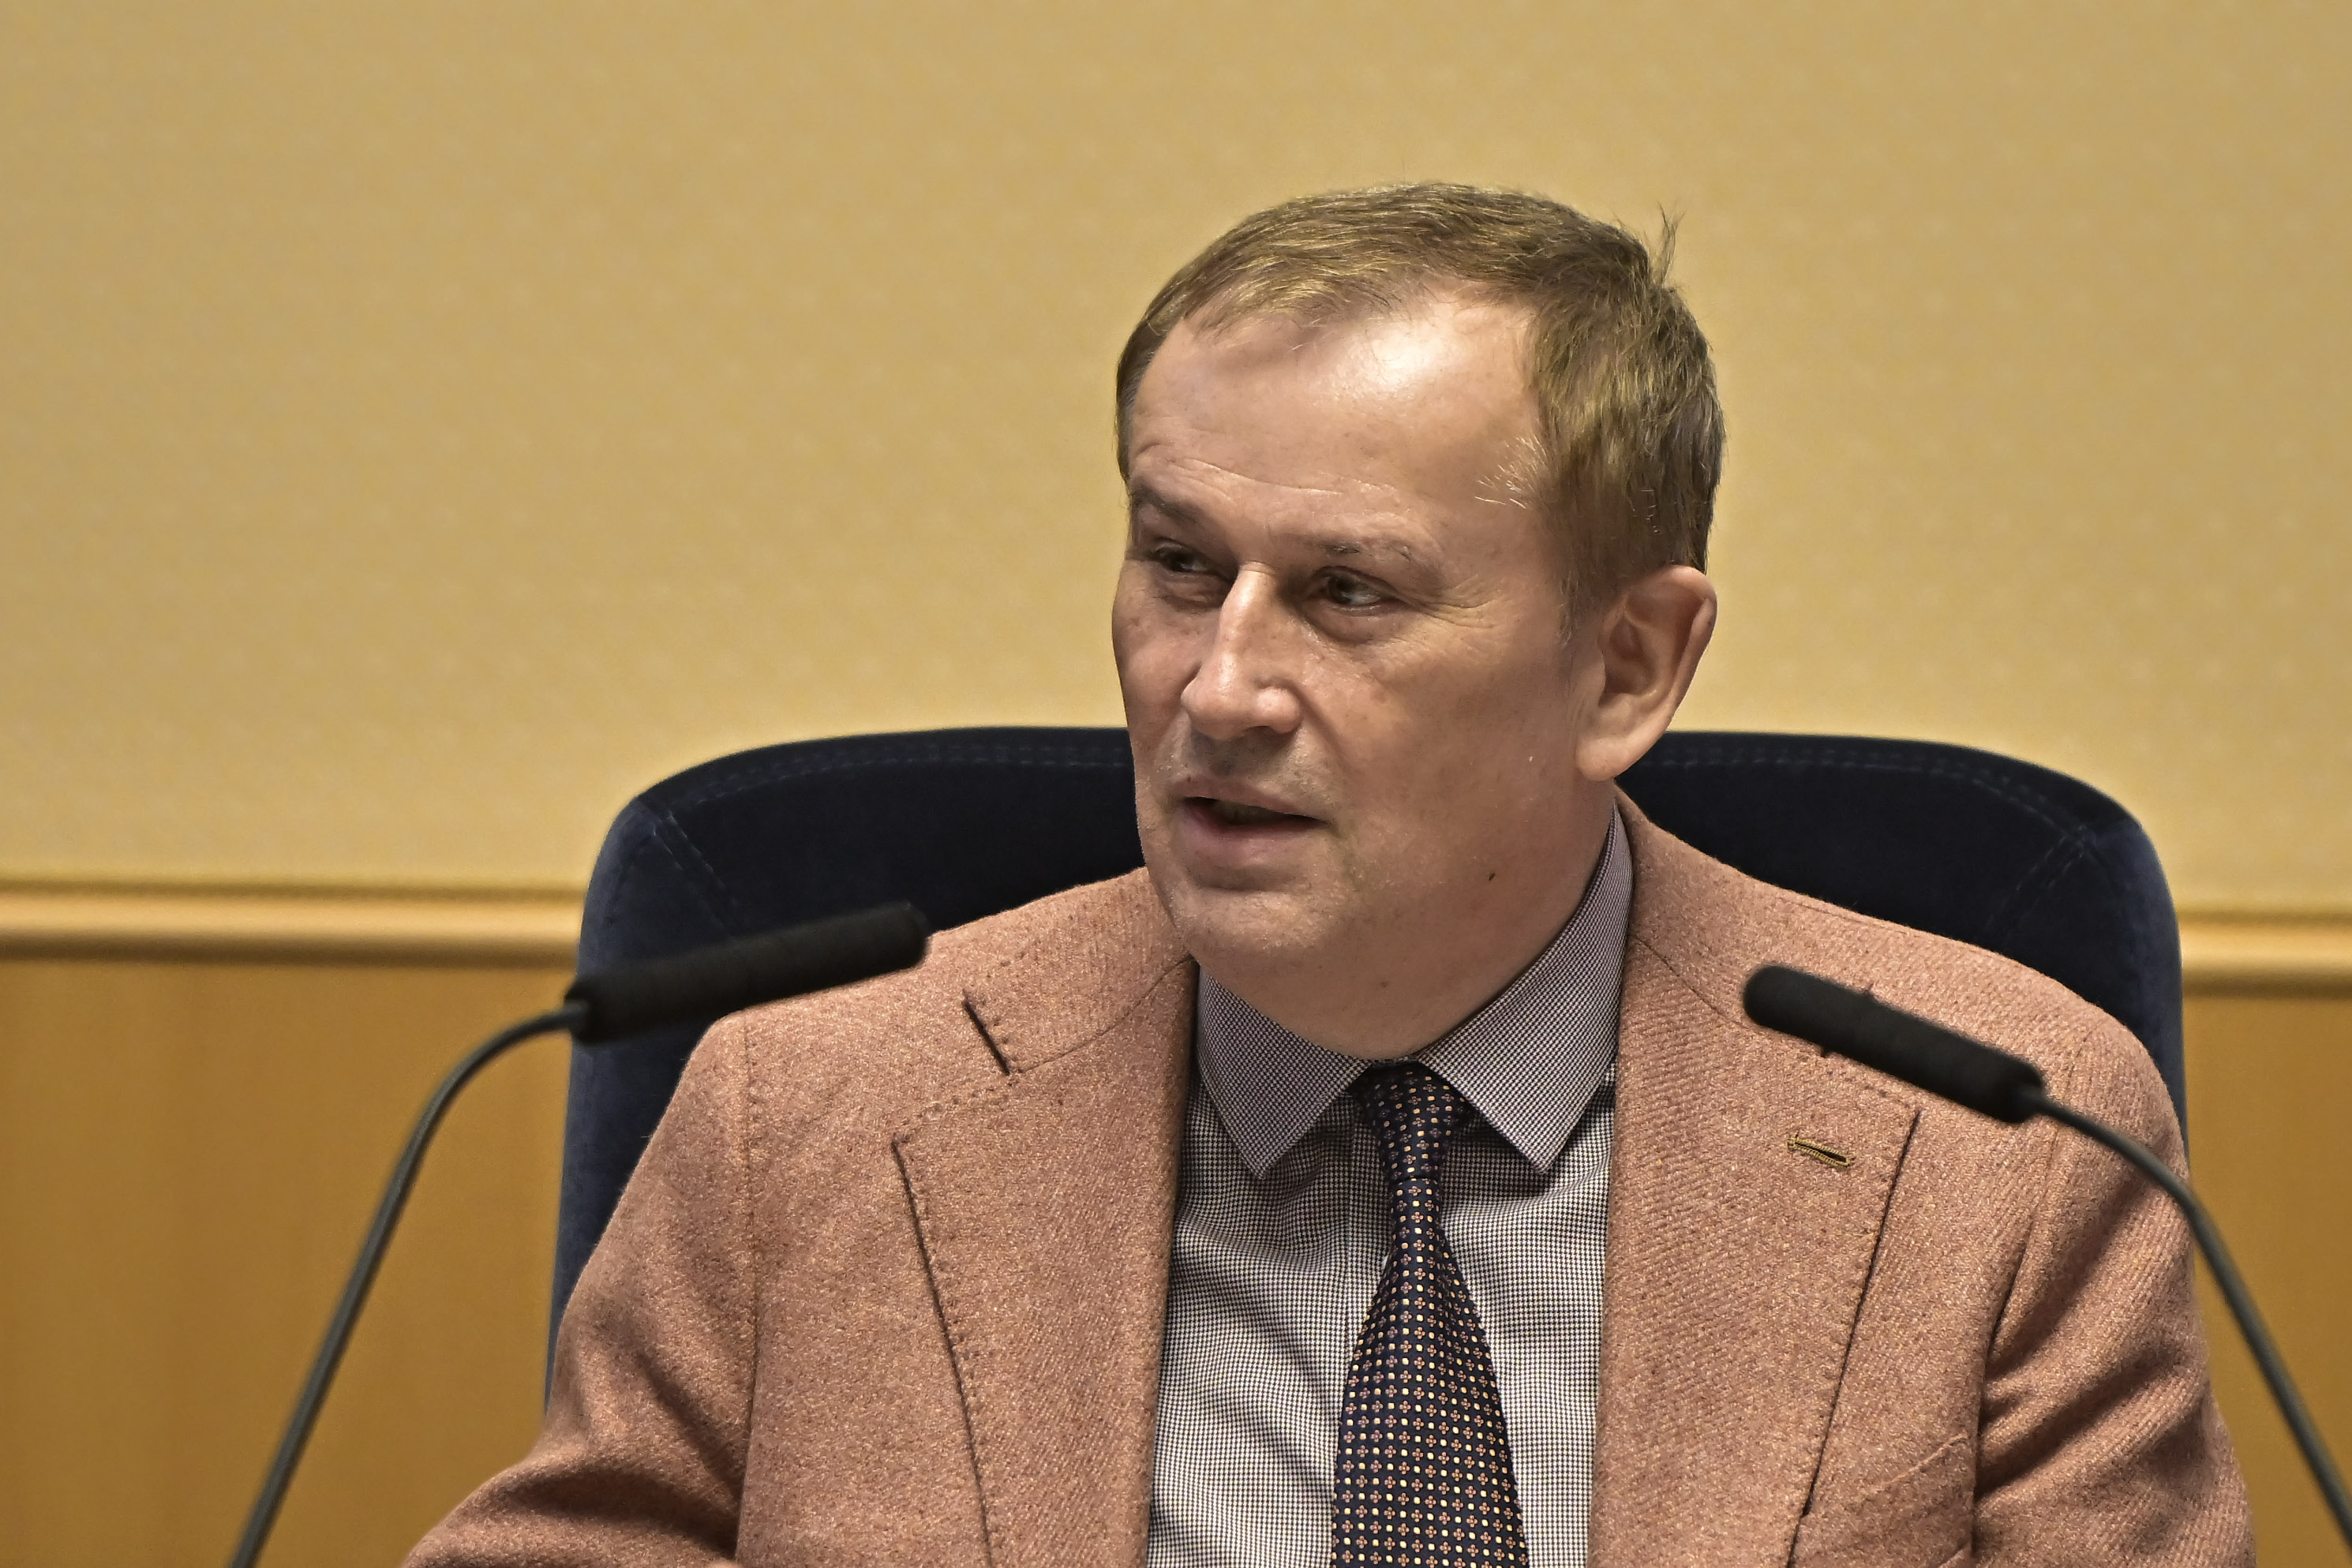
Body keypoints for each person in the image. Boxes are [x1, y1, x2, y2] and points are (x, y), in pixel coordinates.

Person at [410, 185, 2249, 1566]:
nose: (1216, 687)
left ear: (1625, 665)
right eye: (1178, 565)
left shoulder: (2001, 1151)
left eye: (1346, 593)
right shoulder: (807, 1112)